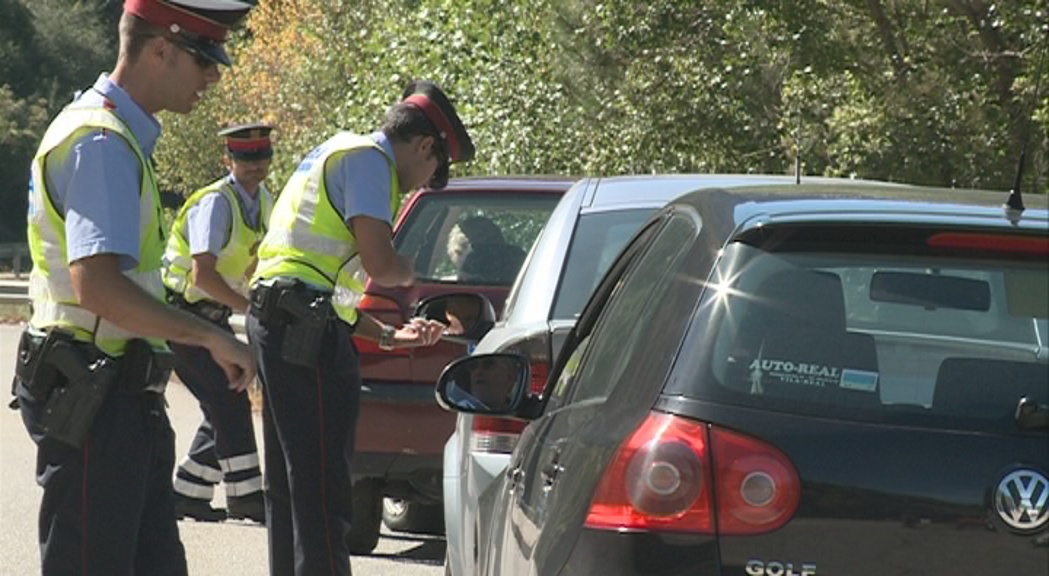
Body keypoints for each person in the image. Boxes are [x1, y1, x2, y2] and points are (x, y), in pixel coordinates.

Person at [11, 1, 258, 575]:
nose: (214, 75)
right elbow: (96, 286)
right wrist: (209, 337)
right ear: (160, 50)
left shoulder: (115, 134)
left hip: (115, 392)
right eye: (204, 59)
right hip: (98, 395)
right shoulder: (102, 141)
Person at [246, 79, 474, 576]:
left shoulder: (336, 150)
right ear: (425, 146)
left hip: (280, 318)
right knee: (325, 486)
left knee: (291, 484)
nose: (423, 183)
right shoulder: (372, 163)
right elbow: (380, 262)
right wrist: (416, 270)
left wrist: (390, 335)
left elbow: (334, 292)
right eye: (433, 172)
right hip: (305, 330)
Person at [163, 123, 276, 524]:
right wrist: (250, 307)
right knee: (228, 397)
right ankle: (246, 496)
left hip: (212, 316)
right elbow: (203, 276)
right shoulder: (215, 203)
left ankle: (187, 493)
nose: (255, 166)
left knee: (223, 401)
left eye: (262, 157)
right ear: (227, 160)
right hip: (180, 316)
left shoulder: (263, 201)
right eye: (245, 158)